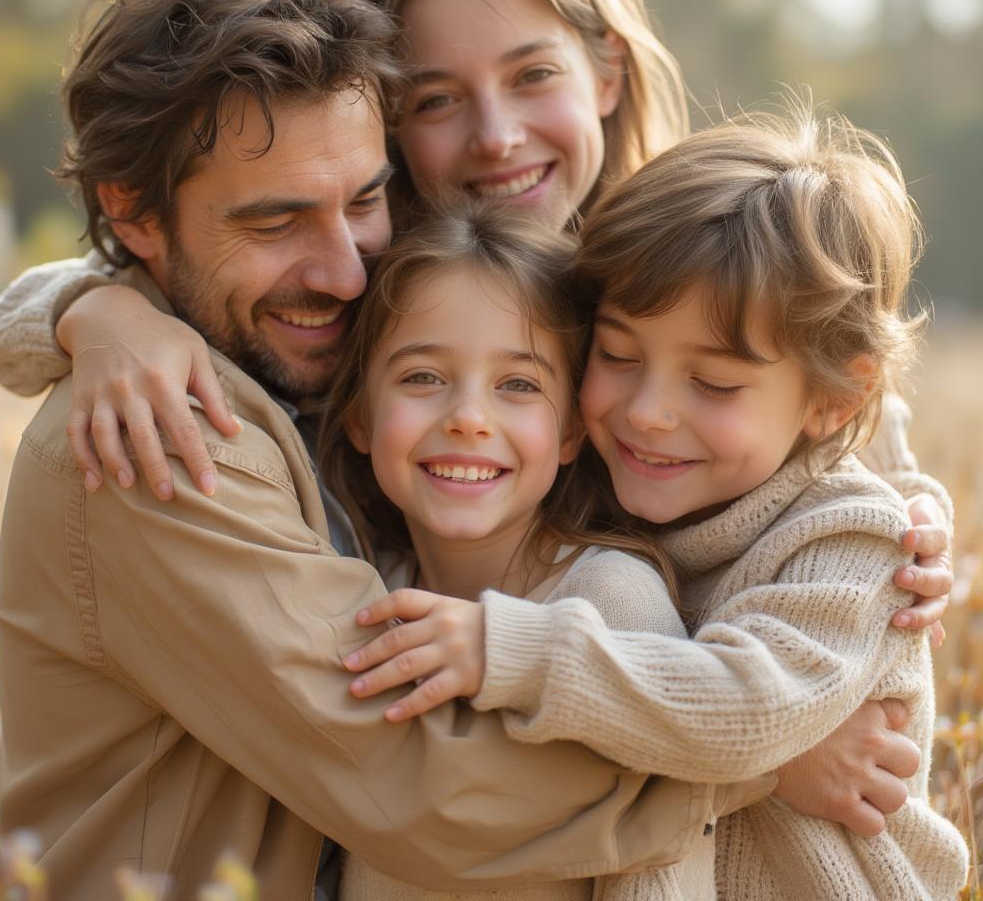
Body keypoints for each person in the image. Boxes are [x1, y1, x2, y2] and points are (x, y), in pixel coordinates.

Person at [0, 0, 775, 900]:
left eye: (366, 200)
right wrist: (762, 767)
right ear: (135, 215)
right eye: (274, 221)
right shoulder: (154, 432)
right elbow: (428, 788)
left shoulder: (312, 352)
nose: (347, 269)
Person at [0, 0, 952, 635]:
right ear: (387, 125)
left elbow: (853, 439)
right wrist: (98, 313)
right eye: (437, 99)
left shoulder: (695, 265)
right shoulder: (373, 283)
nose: (495, 136)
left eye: (532, 76)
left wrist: (901, 546)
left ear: (606, 71)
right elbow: (116, 291)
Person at [345, 104, 970, 899]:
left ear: (833, 403)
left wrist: (513, 651)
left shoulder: (853, 544)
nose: (647, 411)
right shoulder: (639, 487)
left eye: (711, 382)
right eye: (615, 354)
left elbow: (746, 710)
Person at [318, 201, 723, 900]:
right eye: (422, 377)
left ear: (571, 432)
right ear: (359, 414)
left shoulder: (609, 599)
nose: (469, 418)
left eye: (518, 385)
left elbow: (661, 866)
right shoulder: (359, 597)